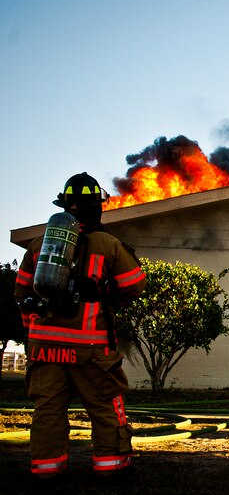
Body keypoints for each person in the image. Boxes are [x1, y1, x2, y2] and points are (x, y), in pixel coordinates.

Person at [15, 173, 146, 478]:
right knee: (104, 405)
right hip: (89, 348)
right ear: (96, 207)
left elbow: (22, 293)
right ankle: (110, 465)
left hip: (45, 350)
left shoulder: (39, 245)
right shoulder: (107, 245)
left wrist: (33, 333)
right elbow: (134, 285)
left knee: (48, 409)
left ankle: (47, 468)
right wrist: (104, 294)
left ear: (65, 205)